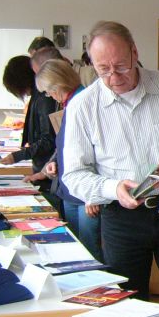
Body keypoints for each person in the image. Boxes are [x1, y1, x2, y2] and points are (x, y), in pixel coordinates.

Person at [62, 21, 159, 312]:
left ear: (135, 52)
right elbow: (74, 175)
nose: (114, 77)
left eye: (121, 66)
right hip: (121, 218)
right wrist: (113, 188)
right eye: (103, 69)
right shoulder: (83, 106)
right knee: (128, 310)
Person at [34, 59, 103, 262]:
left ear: (57, 86)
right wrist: (55, 162)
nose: (49, 96)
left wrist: (93, 195)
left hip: (86, 193)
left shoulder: (85, 102)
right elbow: (67, 144)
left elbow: (99, 151)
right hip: (70, 189)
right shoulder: (69, 103)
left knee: (89, 250)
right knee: (77, 247)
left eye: (48, 91)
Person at [0, 55, 58, 203]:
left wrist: (18, 156)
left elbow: (48, 140)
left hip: (47, 169)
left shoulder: (44, 99)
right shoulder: (37, 97)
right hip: (43, 166)